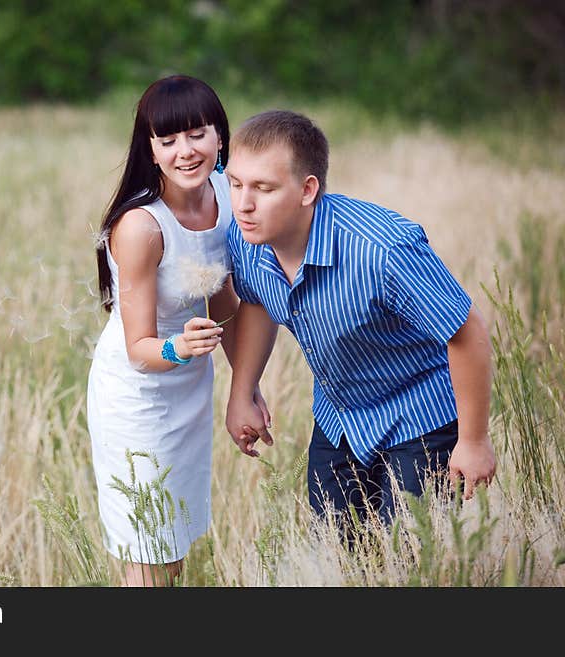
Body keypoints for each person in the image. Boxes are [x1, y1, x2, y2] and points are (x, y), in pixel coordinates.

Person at [223, 109, 497, 526]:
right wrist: (242, 391)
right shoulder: (246, 239)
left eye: (263, 188)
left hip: (420, 416)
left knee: (410, 559)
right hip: (340, 419)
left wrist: (474, 441)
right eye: (236, 184)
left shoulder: (382, 250)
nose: (244, 204)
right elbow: (258, 302)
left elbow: (468, 333)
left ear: (306, 189)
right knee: (336, 553)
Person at [87, 75, 269, 586]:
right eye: (167, 142)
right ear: (151, 150)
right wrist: (181, 346)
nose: (184, 152)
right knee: (148, 543)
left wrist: (246, 387)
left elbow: (225, 298)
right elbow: (140, 348)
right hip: (138, 394)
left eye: (196, 135)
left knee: (173, 542)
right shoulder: (142, 227)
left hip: (190, 384)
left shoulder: (228, 193)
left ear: (220, 136)